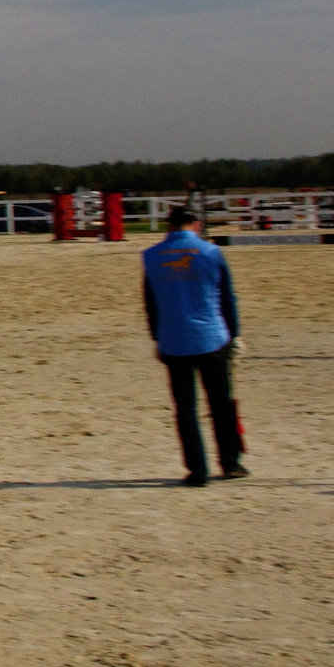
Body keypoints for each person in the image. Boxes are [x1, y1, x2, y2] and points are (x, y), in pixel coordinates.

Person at [141, 206, 245, 487]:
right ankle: (230, 461)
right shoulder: (211, 253)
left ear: (169, 226)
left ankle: (197, 470)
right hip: (211, 337)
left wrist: (156, 336)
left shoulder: (151, 256)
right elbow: (227, 298)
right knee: (221, 404)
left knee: (185, 409)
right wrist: (235, 334)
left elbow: (151, 304)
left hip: (174, 339)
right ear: (196, 224)